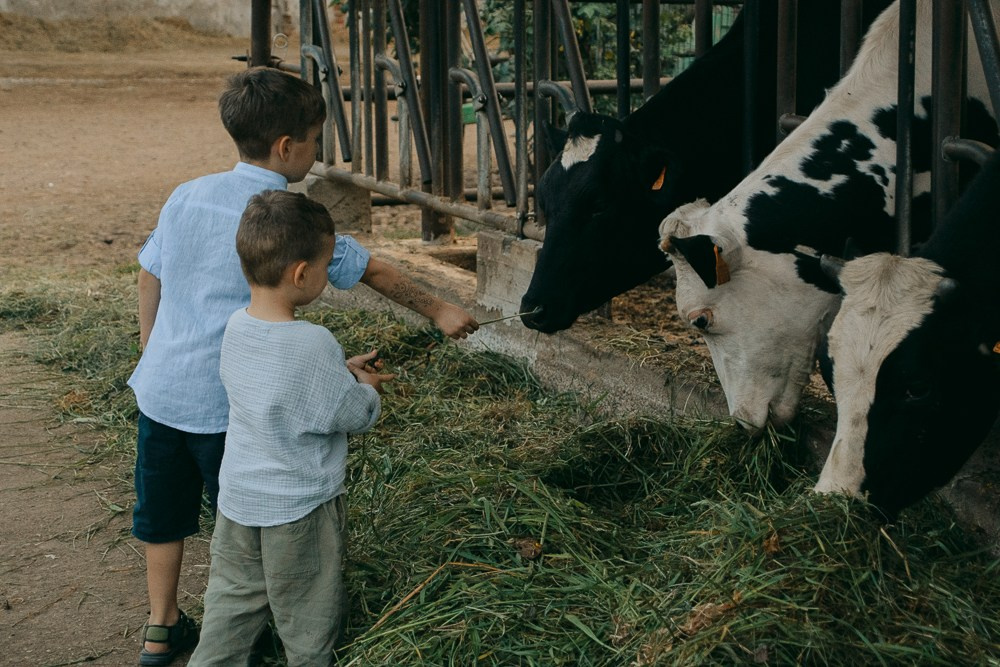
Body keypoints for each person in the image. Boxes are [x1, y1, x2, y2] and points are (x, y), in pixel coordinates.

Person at [128, 66, 478, 666]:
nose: (317, 154)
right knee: (248, 522)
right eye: (315, 141)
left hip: (161, 393)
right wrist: (440, 309)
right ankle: (268, 629)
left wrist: (152, 351)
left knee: (162, 511)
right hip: (231, 407)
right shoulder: (289, 220)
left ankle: (161, 627)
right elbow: (371, 271)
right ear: (287, 147)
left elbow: (148, 275)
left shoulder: (187, 193)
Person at [187, 189, 390, 666]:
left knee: (231, 602)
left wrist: (335, 372)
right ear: (301, 274)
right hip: (299, 508)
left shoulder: (235, 326)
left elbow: (277, 385)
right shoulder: (313, 341)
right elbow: (351, 414)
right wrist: (366, 388)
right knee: (307, 614)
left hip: (238, 502)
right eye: (324, 265)